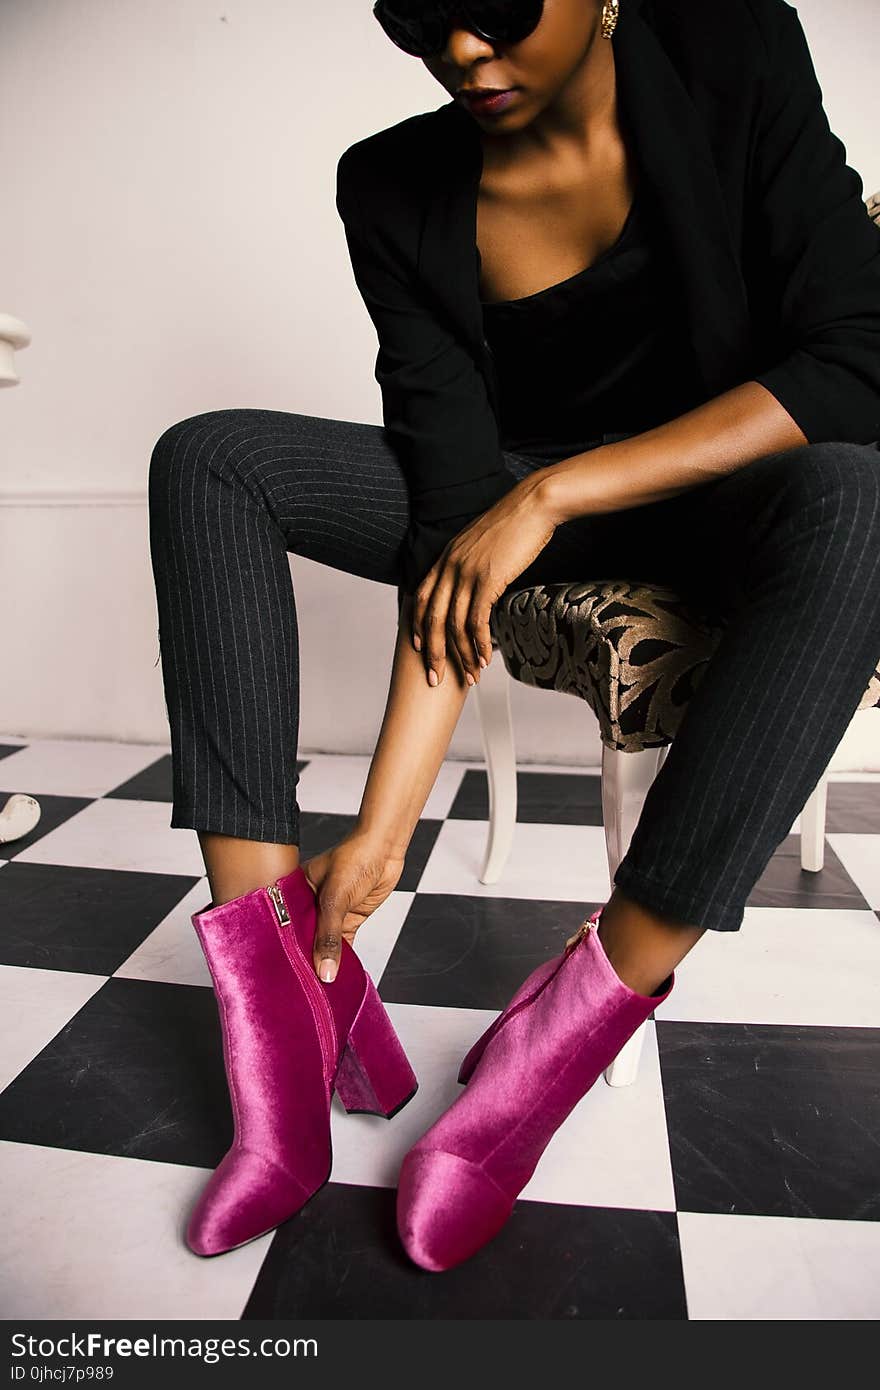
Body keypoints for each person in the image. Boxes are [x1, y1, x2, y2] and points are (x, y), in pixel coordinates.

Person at [148, 0, 880, 1266]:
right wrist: (379, 840)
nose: (462, 56)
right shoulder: (389, 184)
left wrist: (554, 492)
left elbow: (857, 360)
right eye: (421, 21)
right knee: (209, 460)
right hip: (500, 510)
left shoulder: (733, 49)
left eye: (494, 12)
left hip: (714, 491)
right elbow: (448, 524)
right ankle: (285, 1016)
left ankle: (557, 1044)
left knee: (865, 489)